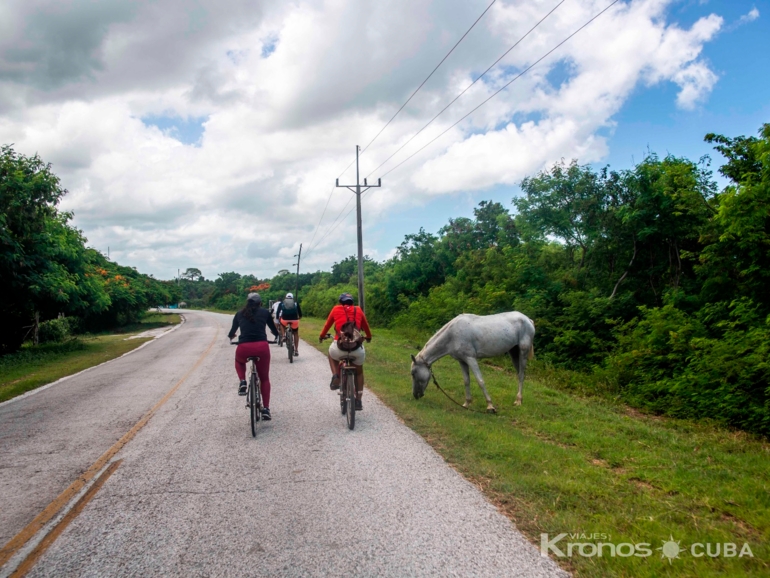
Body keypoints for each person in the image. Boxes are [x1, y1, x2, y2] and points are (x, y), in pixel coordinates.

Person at [228, 293, 279, 420]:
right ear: (260, 303)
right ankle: (266, 409)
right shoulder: (265, 313)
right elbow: (273, 329)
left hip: (244, 347)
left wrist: (232, 337)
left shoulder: (239, 314)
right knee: (264, 378)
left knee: (239, 361)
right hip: (262, 347)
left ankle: (243, 381)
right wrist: (277, 336)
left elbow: (232, 332)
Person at [319, 293, 372, 411]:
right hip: (356, 349)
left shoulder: (335, 309)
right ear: (352, 302)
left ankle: (335, 375)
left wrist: (322, 336)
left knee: (331, 354)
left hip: (340, 347)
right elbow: (366, 326)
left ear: (340, 302)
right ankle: (358, 400)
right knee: (358, 372)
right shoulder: (358, 310)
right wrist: (368, 337)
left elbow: (327, 325)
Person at [276, 292, 302, 356]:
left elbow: (278, 312)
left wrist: (277, 318)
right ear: (292, 297)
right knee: (295, 333)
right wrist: (299, 317)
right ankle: (296, 350)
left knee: (281, 324)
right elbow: (300, 313)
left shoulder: (282, 303)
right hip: (294, 319)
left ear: (286, 297)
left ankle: (284, 336)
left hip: (285, 319)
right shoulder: (295, 303)